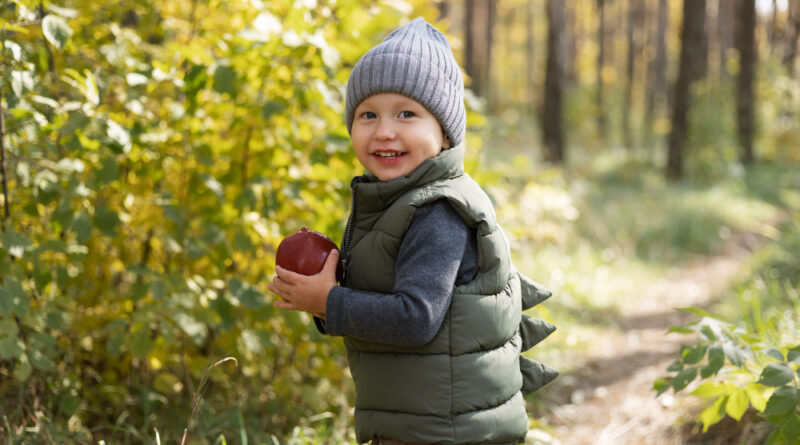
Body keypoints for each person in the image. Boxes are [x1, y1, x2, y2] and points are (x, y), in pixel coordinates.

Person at [268, 17, 557, 445]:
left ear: (443, 133)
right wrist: (324, 298)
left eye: (407, 114)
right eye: (368, 114)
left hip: (446, 430)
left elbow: (415, 319)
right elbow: (382, 308)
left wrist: (329, 301)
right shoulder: (395, 202)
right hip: (424, 418)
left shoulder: (437, 212)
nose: (384, 130)